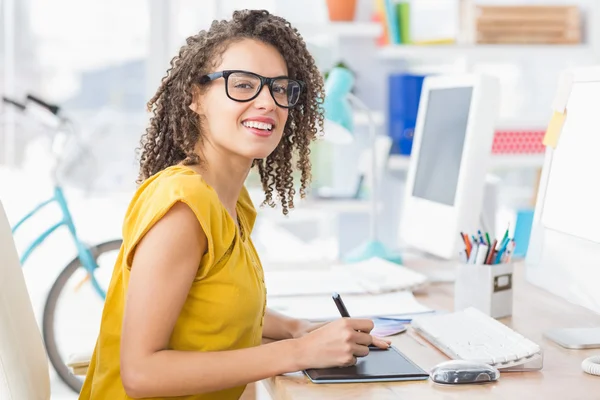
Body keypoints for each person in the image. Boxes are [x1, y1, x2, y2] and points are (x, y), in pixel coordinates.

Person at [79, 9, 390, 400]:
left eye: (279, 88)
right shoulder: (183, 206)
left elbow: (214, 310)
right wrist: (297, 352)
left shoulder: (231, 201)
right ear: (195, 97)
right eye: (242, 85)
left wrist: (295, 328)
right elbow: (141, 373)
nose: (267, 102)